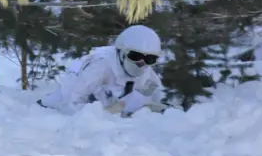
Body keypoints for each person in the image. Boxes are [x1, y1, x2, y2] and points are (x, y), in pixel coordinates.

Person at [37, 25, 168, 117]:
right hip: (54, 115)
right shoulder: (99, 66)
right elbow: (70, 104)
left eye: (150, 58)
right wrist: (106, 113)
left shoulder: (147, 73)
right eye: (135, 56)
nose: (142, 63)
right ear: (121, 52)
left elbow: (157, 100)